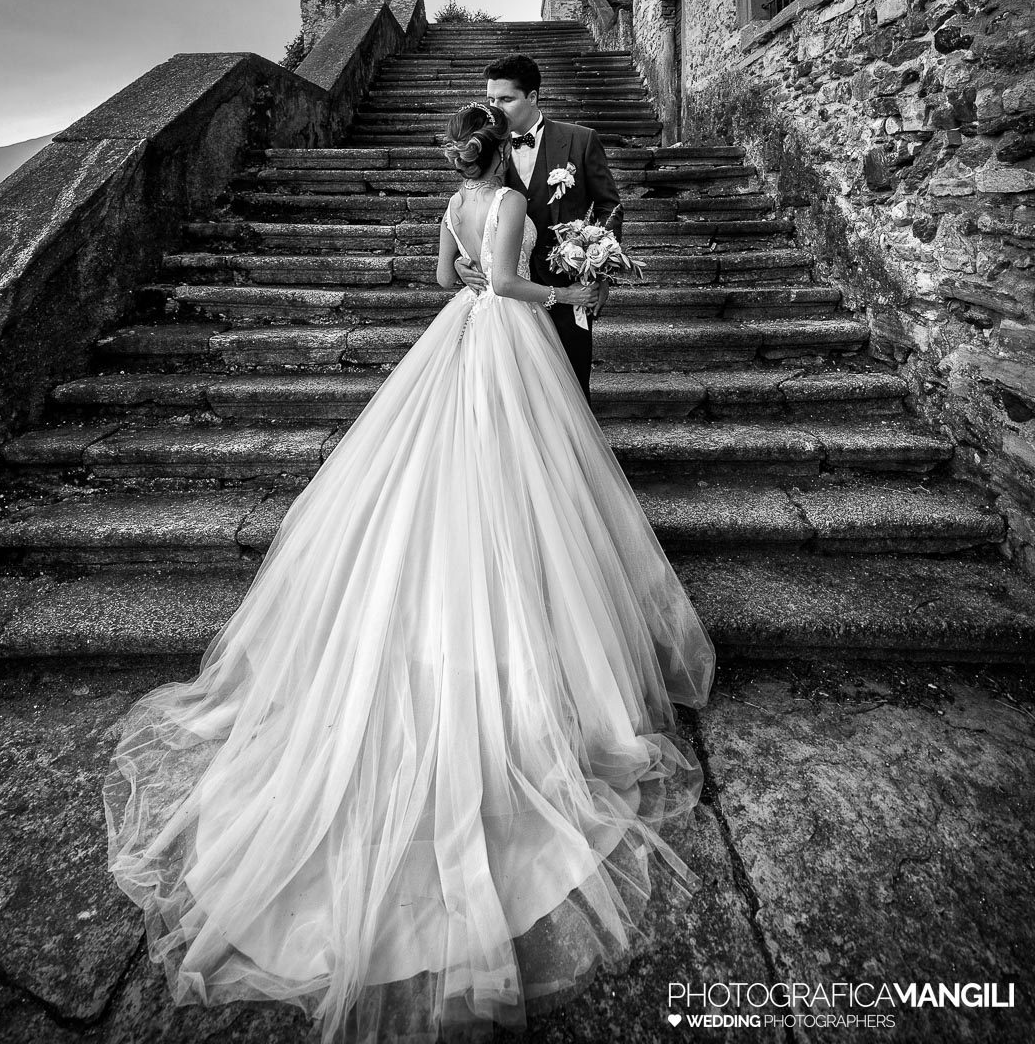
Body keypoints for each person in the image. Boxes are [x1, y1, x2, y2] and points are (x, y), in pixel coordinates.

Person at [104, 103, 717, 1044]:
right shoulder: (510, 201)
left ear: (456, 156)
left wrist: (481, 275)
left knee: (442, 486)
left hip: (454, 342)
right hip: (506, 344)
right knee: (518, 490)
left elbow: (451, 278)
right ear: (499, 151)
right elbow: (508, 281)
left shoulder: (455, 200)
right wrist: (567, 295)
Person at [452, 52, 623, 404]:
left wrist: (600, 271)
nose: (496, 108)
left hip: (568, 289)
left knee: (571, 393)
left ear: (532, 97)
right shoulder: (483, 149)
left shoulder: (580, 140)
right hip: (504, 302)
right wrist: (460, 262)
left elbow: (610, 206)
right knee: (512, 400)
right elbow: (468, 211)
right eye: (491, 99)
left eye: (506, 99)